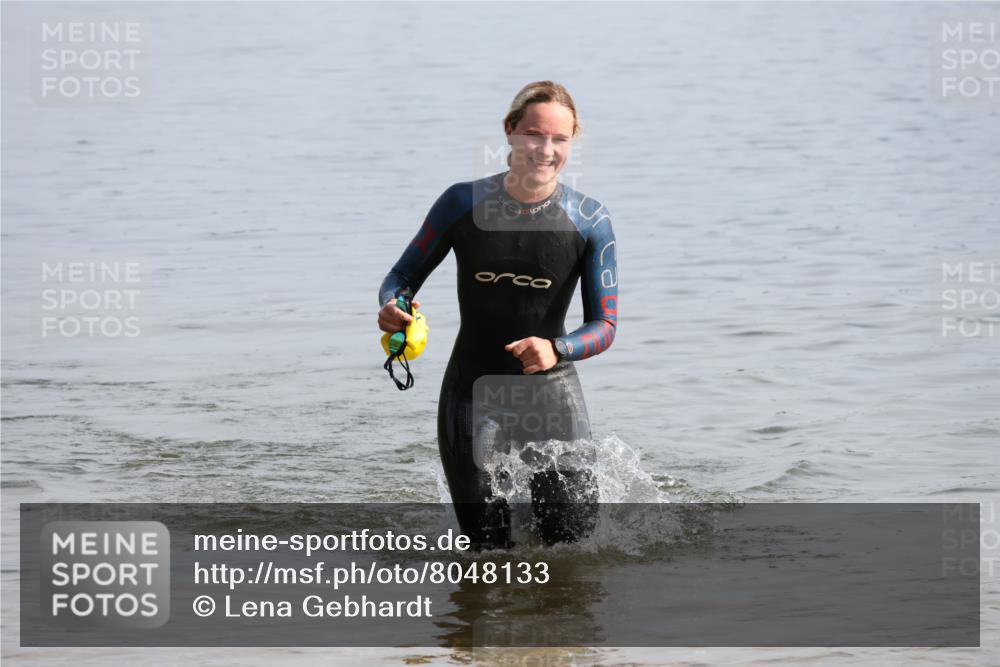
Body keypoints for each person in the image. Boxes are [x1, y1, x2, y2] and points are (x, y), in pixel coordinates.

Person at [377, 81, 618, 549]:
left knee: (572, 546)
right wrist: (394, 307)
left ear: (572, 141)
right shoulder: (461, 204)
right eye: (533, 134)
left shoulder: (589, 219)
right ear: (509, 131)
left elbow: (605, 325)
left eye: (559, 139)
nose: (544, 150)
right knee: (486, 549)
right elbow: (401, 278)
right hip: (472, 394)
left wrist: (557, 348)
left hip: (552, 398)